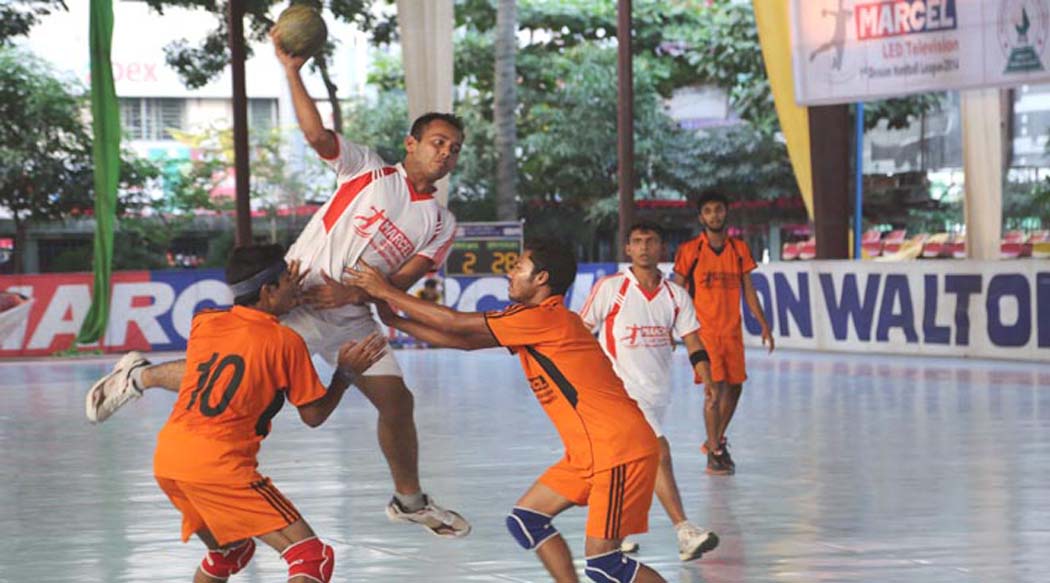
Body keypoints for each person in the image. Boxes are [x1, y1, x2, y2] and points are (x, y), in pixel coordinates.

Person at [84, 29, 471, 538]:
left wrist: (356, 294)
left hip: (352, 316)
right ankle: (139, 377)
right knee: (233, 373)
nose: (446, 153)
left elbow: (400, 281)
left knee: (398, 403)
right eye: (438, 142)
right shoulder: (369, 172)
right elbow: (317, 136)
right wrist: (292, 71)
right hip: (297, 297)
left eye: (455, 148)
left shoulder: (442, 223)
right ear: (412, 143)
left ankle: (409, 500)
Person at [344, 239, 667, 583]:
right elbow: (465, 341)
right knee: (527, 519)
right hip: (588, 452)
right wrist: (394, 319)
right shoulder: (534, 321)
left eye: (518, 267)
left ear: (541, 278)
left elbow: (456, 323)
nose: (508, 272)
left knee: (607, 566)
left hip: (617, 450)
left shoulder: (545, 317)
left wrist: (385, 291)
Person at [152, 244, 387, 583]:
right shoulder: (285, 342)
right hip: (218, 466)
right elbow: (313, 415)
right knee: (311, 557)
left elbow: (249, 329)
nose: (296, 285)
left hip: (170, 460)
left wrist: (283, 295)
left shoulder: (205, 324)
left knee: (228, 553)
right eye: (286, 280)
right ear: (267, 290)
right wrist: (345, 374)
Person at [578, 221, 718, 561]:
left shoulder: (675, 295)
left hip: (657, 395)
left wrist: (707, 379)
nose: (643, 247)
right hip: (618, 392)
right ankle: (685, 531)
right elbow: (581, 330)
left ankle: (614, 534)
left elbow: (693, 340)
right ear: (627, 249)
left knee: (632, 468)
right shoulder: (610, 288)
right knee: (658, 453)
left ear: (661, 249)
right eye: (637, 242)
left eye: (650, 241)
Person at [672, 190, 774, 475]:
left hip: (731, 331)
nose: (714, 215)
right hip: (704, 333)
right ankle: (715, 452)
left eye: (718, 209)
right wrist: (672, 327)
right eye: (708, 211)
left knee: (736, 387)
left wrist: (764, 323)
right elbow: (677, 291)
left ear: (726, 213)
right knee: (713, 392)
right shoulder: (691, 251)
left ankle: (714, 440)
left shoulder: (739, 249)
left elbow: (749, 291)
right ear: (700, 217)